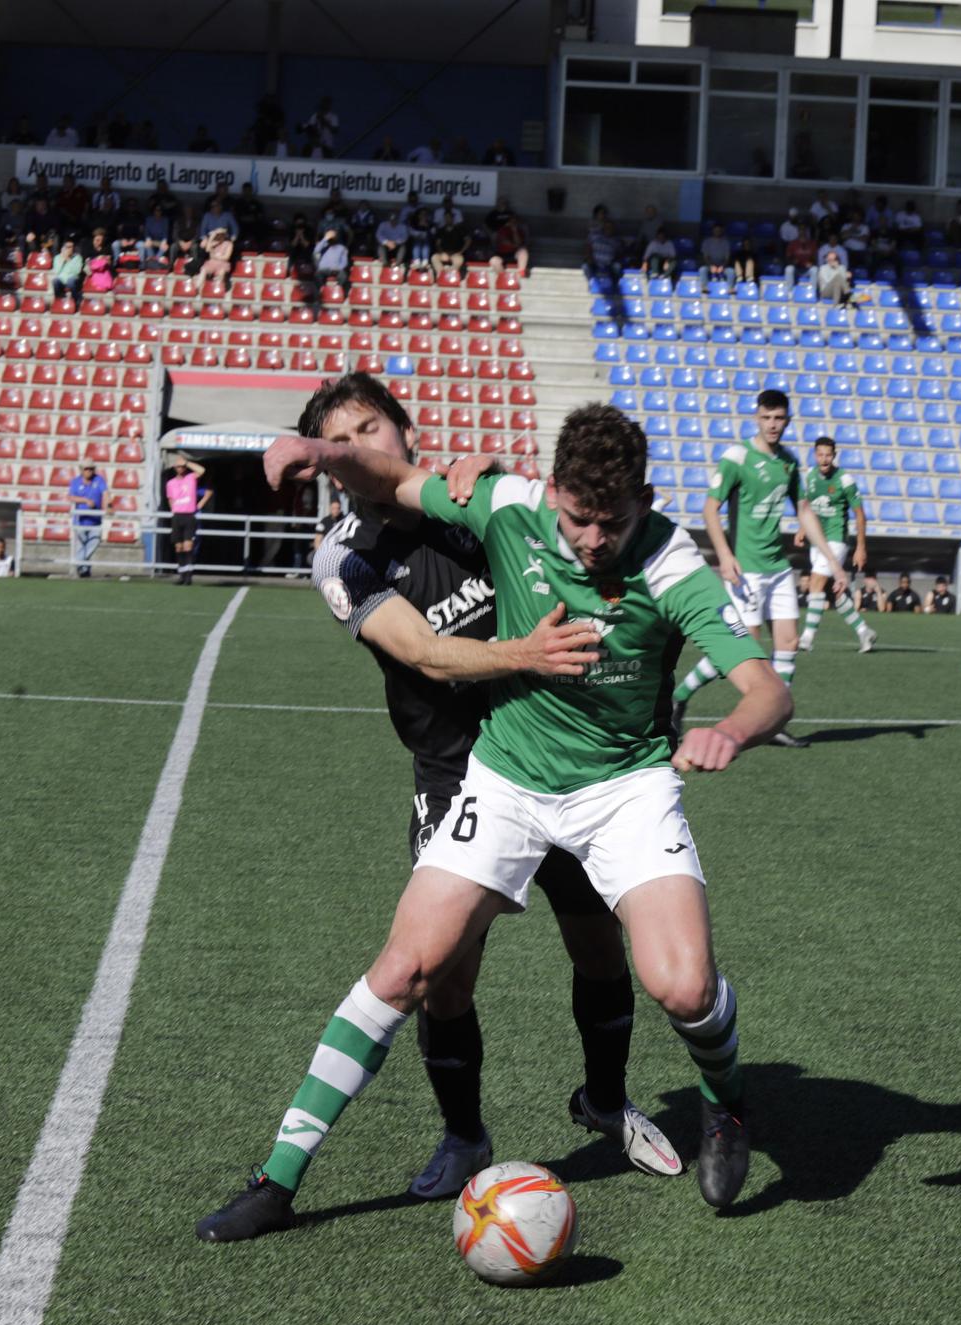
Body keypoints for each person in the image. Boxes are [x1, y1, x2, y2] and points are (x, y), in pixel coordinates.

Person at [196, 401, 793, 1241]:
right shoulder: (508, 503)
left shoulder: (670, 561)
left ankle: (724, 1104)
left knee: (683, 984)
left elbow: (769, 686)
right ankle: (277, 1177)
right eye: (578, 518)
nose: (592, 539)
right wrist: (314, 448)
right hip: (506, 776)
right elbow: (395, 478)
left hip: (624, 786)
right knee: (407, 970)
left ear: (645, 500)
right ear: (552, 492)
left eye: (611, 521)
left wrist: (733, 726)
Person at [276, 374, 681, 1201]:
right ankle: (464, 1134)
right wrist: (521, 654)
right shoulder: (341, 555)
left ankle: (605, 1099)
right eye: (340, 439)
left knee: (598, 944)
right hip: (458, 773)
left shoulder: (474, 499)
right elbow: (423, 652)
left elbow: (574, 531)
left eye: (370, 426)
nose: (358, 446)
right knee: (441, 975)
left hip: (557, 752)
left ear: (403, 430)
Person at [670, 390, 847, 749]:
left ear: (788, 420)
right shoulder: (737, 457)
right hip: (746, 568)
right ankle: (679, 696)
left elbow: (805, 511)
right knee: (746, 648)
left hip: (778, 568)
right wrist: (725, 556)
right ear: (756, 417)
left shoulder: (788, 462)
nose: (773, 425)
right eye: (767, 418)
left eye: (779, 418)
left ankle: (772, 723)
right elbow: (709, 509)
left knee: (788, 643)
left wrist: (831, 559)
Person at [795, 436, 876, 653]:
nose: (824, 459)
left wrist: (860, 547)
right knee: (836, 593)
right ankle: (864, 631)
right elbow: (809, 507)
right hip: (817, 541)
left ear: (834, 455)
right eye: (820, 454)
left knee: (816, 583)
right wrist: (803, 529)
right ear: (815, 455)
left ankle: (807, 637)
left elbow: (860, 515)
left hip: (836, 540)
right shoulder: (811, 477)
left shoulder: (845, 480)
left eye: (828, 455)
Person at [165, 455, 210, 584]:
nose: (180, 468)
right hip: (177, 516)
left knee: (188, 546)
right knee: (178, 547)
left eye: (182, 466)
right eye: (178, 466)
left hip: (189, 516)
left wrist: (187, 462)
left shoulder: (191, 478)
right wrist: (173, 509)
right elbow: (170, 498)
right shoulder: (171, 483)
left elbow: (201, 471)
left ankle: (189, 576)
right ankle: (182, 574)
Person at [69, 462, 105, 576]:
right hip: (80, 520)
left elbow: (106, 493)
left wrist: (109, 505)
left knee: (94, 542)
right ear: (81, 470)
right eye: (86, 468)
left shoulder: (99, 480)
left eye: (91, 468)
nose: (89, 471)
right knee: (83, 545)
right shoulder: (75, 482)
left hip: (95, 520)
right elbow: (70, 497)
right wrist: (85, 500)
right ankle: (84, 570)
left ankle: (78, 560)